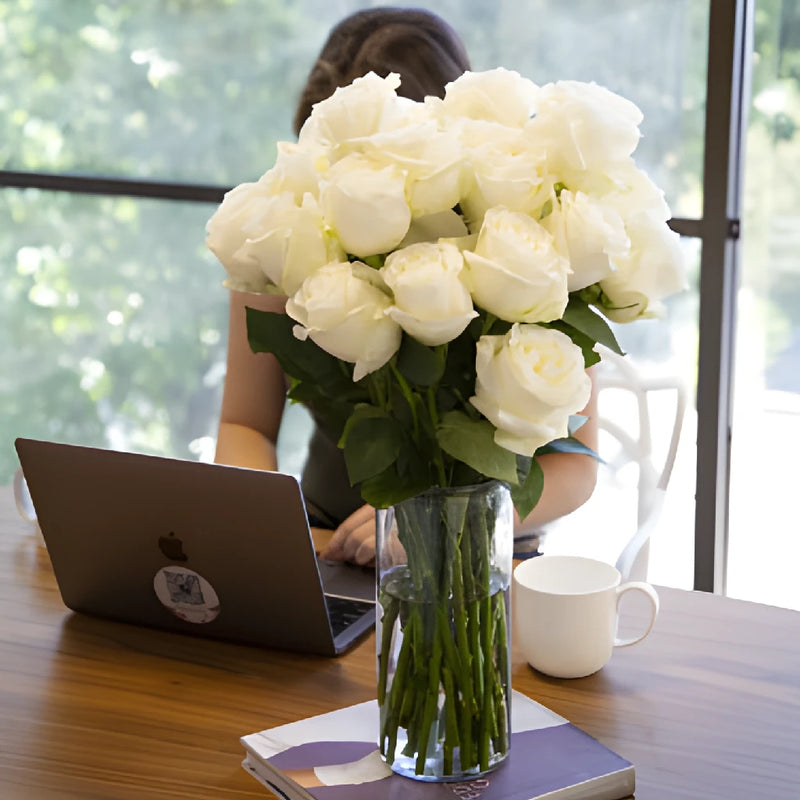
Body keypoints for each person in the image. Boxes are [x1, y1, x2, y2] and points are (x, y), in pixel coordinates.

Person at [214, 7, 598, 565]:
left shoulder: (526, 247)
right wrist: (263, 526)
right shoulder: (284, 240)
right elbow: (242, 423)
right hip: (327, 542)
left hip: (480, 558)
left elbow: (577, 463)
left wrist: (444, 521)